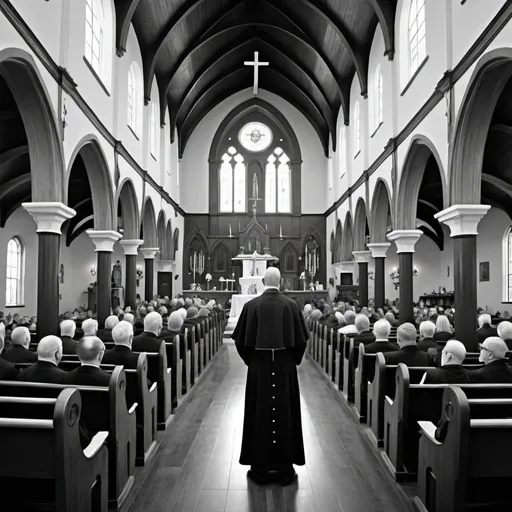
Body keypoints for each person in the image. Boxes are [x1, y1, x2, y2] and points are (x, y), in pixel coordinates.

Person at [232, 267, 308, 486]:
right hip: (285, 368)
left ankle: (260, 467)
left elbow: (240, 342)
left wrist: (253, 360)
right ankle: (285, 467)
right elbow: (301, 341)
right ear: (281, 281)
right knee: (286, 410)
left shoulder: (250, 306)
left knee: (259, 410)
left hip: (259, 367)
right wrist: (290, 359)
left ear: (263, 281)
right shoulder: (292, 306)